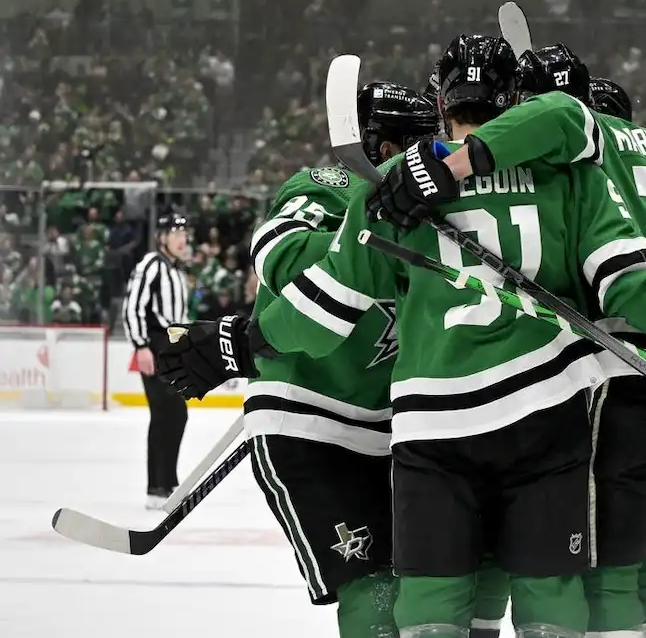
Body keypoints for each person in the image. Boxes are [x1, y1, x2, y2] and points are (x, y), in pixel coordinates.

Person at [158, 33, 646, 638]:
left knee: (430, 602)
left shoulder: (403, 185)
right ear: (516, 102)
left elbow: (323, 304)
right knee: (548, 596)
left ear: (441, 101)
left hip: (431, 429)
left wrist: (246, 340)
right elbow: (627, 280)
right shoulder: (569, 176)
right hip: (545, 414)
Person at [368, 43, 646, 638]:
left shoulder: (574, 146)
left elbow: (560, 130)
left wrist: (451, 163)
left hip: (620, 372)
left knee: (606, 580)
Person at [158, 81, 503, 637]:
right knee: (373, 591)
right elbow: (282, 255)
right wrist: (384, 242)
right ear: (379, 147)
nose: (418, 157)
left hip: (406, 428)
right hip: (311, 424)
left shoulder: (451, 205)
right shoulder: (327, 185)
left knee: (444, 586)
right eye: (405, 145)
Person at [122, 213, 190, 510]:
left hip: (170, 346)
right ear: (162, 238)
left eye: (185, 233)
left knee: (174, 413)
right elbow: (133, 305)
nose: (182, 238)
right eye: (175, 233)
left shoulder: (176, 270)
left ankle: (166, 483)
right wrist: (141, 345)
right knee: (167, 412)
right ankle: (157, 486)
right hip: (155, 343)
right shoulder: (151, 264)